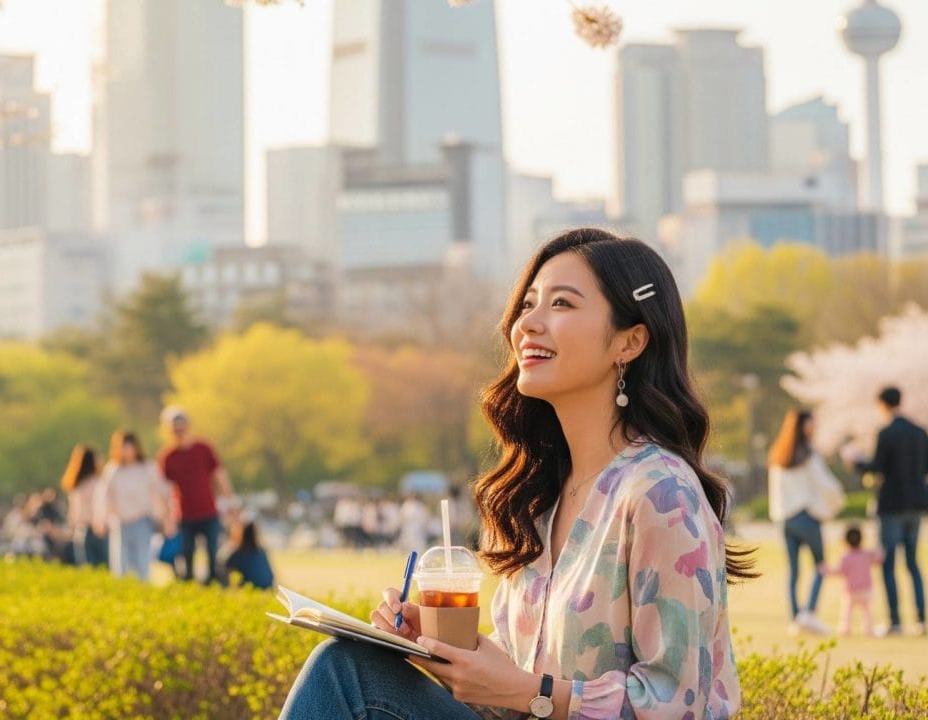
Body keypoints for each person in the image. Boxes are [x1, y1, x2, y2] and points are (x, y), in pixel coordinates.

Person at [280, 228, 753, 720]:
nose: (528, 323)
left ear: (630, 341)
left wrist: (531, 692)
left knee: (342, 677)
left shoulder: (660, 493)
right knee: (349, 665)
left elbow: (682, 707)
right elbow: (515, 693)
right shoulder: (538, 500)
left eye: (562, 304)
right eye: (528, 304)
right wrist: (446, 654)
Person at [850, 386, 928, 637]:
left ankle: (895, 621)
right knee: (912, 563)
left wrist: (856, 463)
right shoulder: (921, 433)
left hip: (891, 507)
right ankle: (921, 619)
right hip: (916, 507)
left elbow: (877, 467)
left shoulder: (886, 433)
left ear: (882, 404)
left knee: (888, 564)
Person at [767, 409, 843, 637]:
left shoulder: (778, 454)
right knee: (821, 565)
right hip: (806, 517)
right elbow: (826, 485)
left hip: (785, 519)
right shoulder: (808, 454)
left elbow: (774, 491)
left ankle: (795, 618)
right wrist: (836, 503)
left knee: (793, 571)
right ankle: (808, 613)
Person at [157, 408, 235, 584]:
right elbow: (164, 490)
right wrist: (167, 517)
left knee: (213, 553)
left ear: (188, 427)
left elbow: (220, 476)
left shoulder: (203, 448)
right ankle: (190, 585)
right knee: (187, 555)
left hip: (208, 511)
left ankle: (213, 585)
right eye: (175, 429)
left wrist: (231, 504)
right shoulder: (167, 457)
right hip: (184, 515)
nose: (179, 432)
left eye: (182, 427)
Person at [94, 430, 173, 582]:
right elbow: (104, 496)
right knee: (120, 564)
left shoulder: (147, 468)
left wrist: (166, 518)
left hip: (142, 519)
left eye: (129, 447)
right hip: (120, 521)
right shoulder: (113, 470)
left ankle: (143, 590)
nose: (126, 451)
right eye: (122, 447)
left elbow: (161, 493)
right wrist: (101, 518)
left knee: (142, 561)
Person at [818, 525, 882, 637]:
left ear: (845, 541)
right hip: (866, 590)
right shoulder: (867, 554)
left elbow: (838, 571)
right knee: (867, 611)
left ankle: (845, 629)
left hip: (851, 591)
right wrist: (879, 549)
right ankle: (869, 629)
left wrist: (825, 570)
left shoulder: (846, 557)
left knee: (847, 611)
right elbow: (879, 558)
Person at [61, 444, 108, 567]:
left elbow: (73, 515)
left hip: (81, 532)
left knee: (87, 569)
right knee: (105, 569)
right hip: (99, 531)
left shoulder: (76, 486)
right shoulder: (99, 483)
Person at [224, 519, 275, 590]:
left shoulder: (239, 553)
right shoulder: (262, 552)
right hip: (268, 587)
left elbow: (225, 567)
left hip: (251, 588)